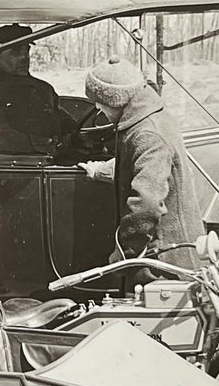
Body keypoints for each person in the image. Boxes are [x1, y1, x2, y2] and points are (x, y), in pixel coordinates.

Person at [82, 58, 205, 267]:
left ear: (115, 101)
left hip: (166, 260)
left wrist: (124, 252)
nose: (98, 109)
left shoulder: (147, 135)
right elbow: (136, 163)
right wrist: (98, 171)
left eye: (101, 104)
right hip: (163, 252)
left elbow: (146, 203)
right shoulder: (149, 117)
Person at [0, 24, 67, 157]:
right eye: (16, 52)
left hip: (48, 160)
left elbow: (61, 119)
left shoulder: (42, 88)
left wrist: (76, 134)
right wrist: (41, 143)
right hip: (13, 168)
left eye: (26, 51)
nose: (25, 58)